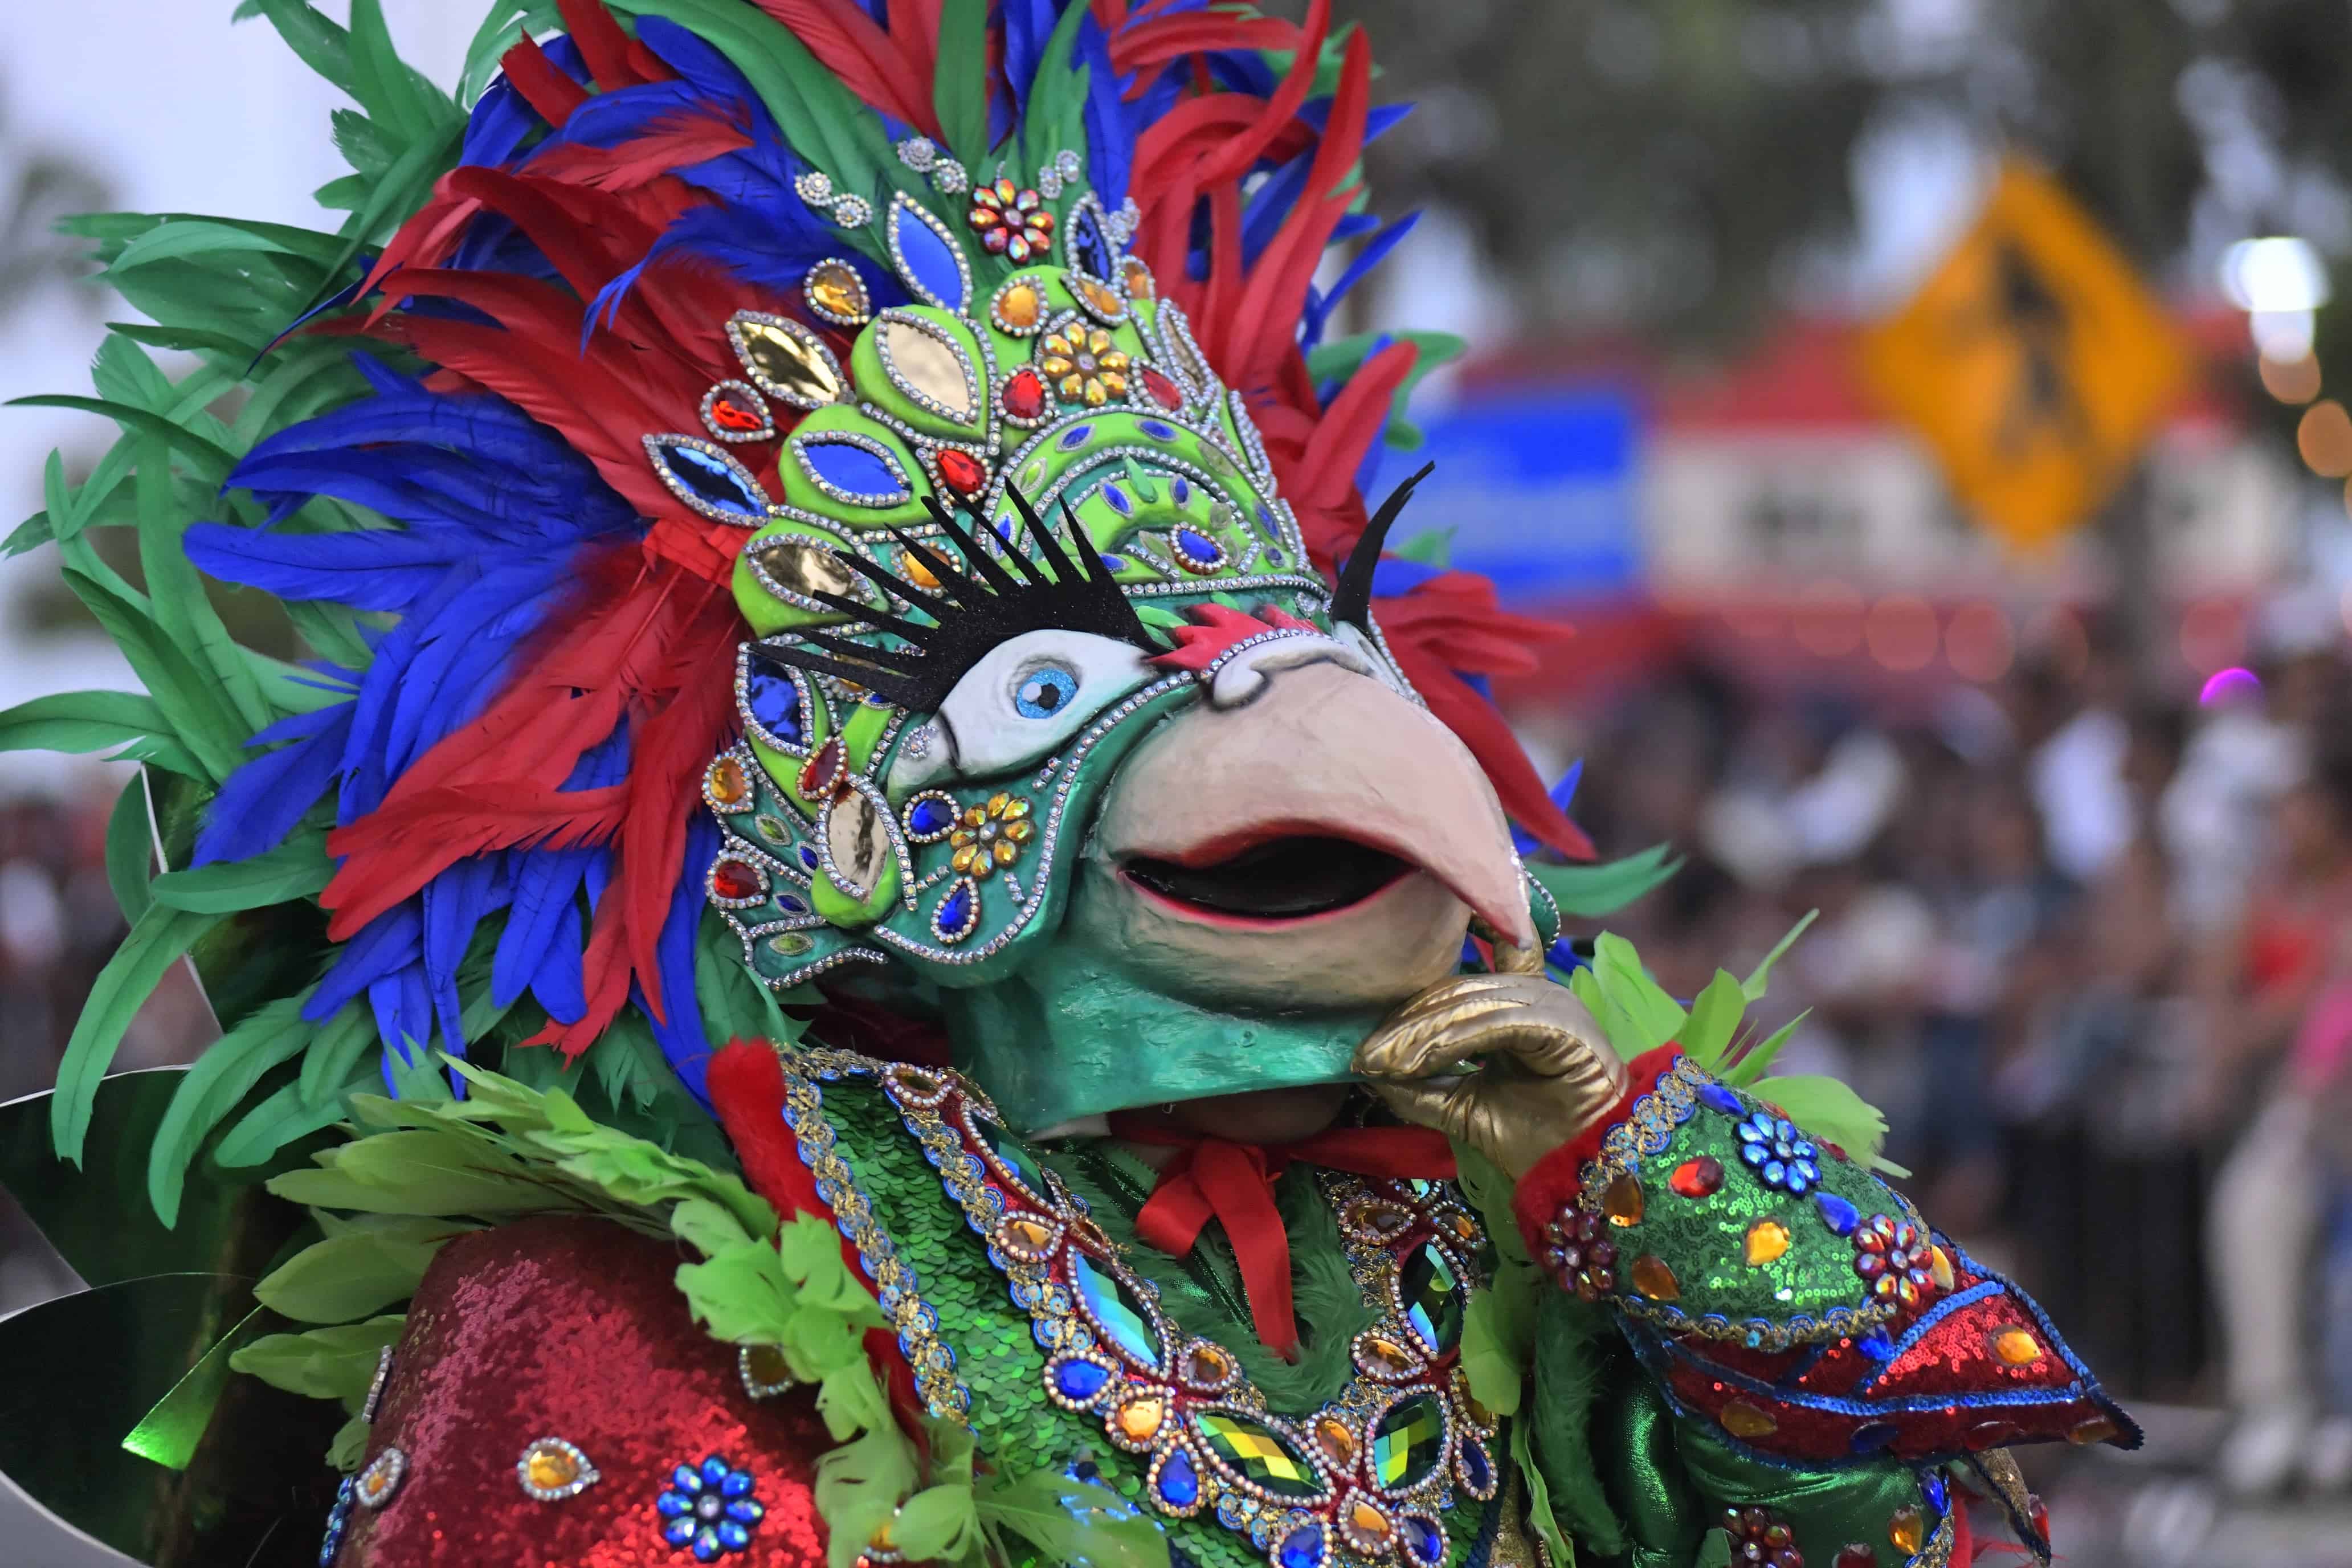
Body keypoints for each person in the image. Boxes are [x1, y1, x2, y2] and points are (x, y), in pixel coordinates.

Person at [0, 5, 2132, 1565]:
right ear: (768, 790)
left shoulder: (1470, 1226)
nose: (1271, 717)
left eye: (1299, 630)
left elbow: (1934, 1522)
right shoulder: (616, 1314)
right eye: (1044, 680)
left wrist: (1631, 1171)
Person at [2206, 742, 2352, 1495]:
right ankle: (2276, 1405)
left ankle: (2338, 1408)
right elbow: (2222, 990)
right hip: (2305, 1107)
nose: (2289, 825)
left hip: (2330, 1100)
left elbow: (2320, 1004)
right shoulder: (2265, 894)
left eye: (2303, 810)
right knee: (2253, 1202)